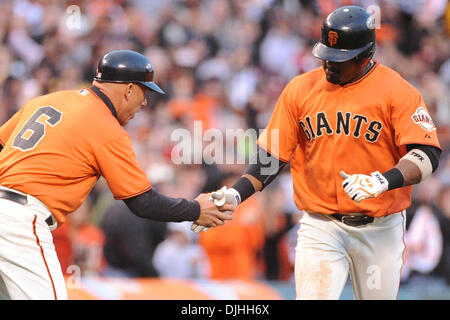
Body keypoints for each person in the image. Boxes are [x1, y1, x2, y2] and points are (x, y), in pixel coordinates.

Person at [198, 6, 442, 299]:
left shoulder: (397, 91)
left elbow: (427, 154)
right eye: (327, 54)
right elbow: (272, 156)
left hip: (380, 227)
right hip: (320, 226)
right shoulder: (300, 89)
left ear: (366, 57)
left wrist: (383, 181)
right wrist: (236, 194)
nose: (329, 64)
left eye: (340, 59)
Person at [0, 49, 232, 300]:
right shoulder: (105, 125)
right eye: (144, 93)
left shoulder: (46, 101)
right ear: (129, 89)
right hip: (20, 222)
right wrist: (196, 209)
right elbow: (142, 203)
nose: (144, 103)